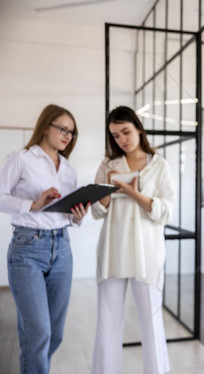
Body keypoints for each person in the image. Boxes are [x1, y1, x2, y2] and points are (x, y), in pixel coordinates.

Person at [0, 104, 89, 373]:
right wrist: (33, 204)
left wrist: (78, 215)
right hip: (28, 249)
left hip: (62, 248)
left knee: (55, 333)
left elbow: (67, 214)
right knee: (38, 333)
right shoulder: (21, 158)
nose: (67, 135)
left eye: (72, 132)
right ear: (45, 126)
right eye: (62, 128)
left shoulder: (68, 169)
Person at [90, 106, 175, 374]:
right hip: (113, 250)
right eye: (115, 136)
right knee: (107, 320)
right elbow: (96, 210)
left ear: (139, 128)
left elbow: (166, 211)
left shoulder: (159, 165)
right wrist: (107, 191)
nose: (122, 139)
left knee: (151, 321)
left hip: (145, 253)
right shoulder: (108, 165)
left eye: (126, 132)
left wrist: (133, 193)